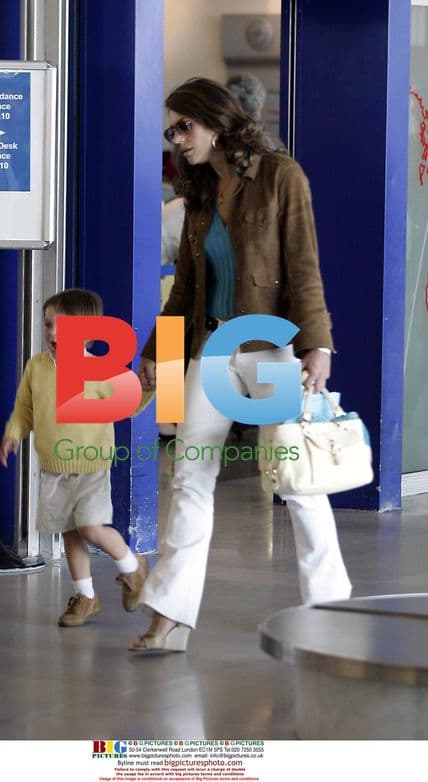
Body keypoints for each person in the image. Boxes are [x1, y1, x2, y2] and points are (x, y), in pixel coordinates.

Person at [131, 77, 352, 653]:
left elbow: (304, 266)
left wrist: (317, 346)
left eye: (185, 127)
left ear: (218, 120)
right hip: (213, 350)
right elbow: (184, 289)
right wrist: (157, 353)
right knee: (189, 478)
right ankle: (171, 617)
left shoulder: (281, 176)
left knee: (298, 483)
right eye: (170, 131)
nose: (177, 140)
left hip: (272, 347)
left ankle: (329, 611)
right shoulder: (199, 193)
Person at [0, 288, 148, 627]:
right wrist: (13, 433)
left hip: (92, 466)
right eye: (49, 324)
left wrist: (148, 387)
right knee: (70, 532)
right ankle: (85, 596)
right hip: (53, 469)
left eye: (62, 328)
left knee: (90, 527)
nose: (52, 333)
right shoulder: (36, 367)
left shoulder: (102, 370)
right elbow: (25, 408)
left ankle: (132, 568)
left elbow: (130, 403)